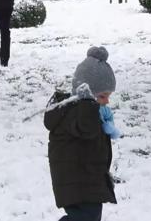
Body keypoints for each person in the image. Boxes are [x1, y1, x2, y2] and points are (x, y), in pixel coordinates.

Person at [44, 46, 119, 221]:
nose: (107, 101)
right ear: (87, 94)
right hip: (77, 183)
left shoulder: (89, 112)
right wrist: (87, 103)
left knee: (90, 217)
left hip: (87, 181)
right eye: (102, 96)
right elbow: (86, 128)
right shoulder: (76, 112)